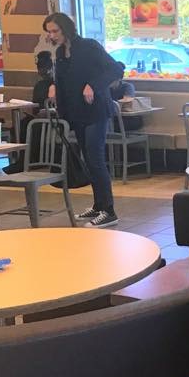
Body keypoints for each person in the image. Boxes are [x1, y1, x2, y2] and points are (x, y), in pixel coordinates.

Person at [46, 12, 122, 228]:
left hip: (96, 110)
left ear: (66, 29)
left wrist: (93, 85)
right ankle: (99, 205)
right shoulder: (60, 53)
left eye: (55, 31)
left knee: (95, 159)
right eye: (49, 32)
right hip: (76, 112)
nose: (52, 36)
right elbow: (65, 80)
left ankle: (109, 210)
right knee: (88, 159)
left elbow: (116, 69)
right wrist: (54, 86)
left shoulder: (89, 46)